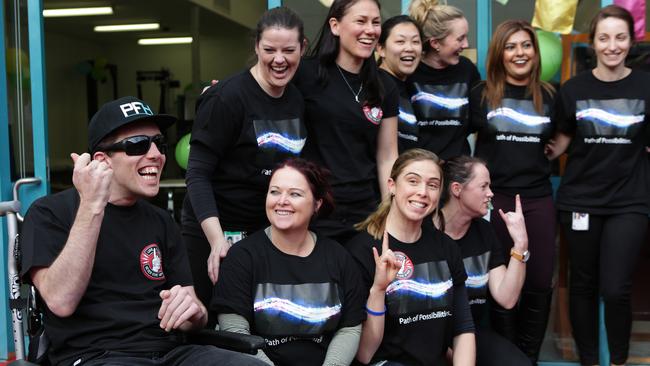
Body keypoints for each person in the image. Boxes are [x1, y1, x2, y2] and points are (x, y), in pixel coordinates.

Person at [19, 96, 265, 366]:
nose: (156, 155)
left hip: (171, 353)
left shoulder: (161, 222)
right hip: (96, 356)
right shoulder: (50, 213)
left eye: (159, 143)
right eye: (138, 145)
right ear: (103, 161)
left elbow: (196, 315)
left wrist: (193, 313)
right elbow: (60, 301)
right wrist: (91, 206)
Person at [182, 7, 307, 312]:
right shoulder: (226, 98)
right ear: (256, 48)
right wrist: (216, 241)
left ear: (302, 49)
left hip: (264, 232)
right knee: (208, 320)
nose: (279, 59)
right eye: (269, 50)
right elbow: (197, 174)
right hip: (213, 230)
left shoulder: (297, 99)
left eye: (289, 50)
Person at [546, 5, 650, 365]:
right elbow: (559, 140)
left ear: (631, 41)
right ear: (593, 43)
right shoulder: (573, 89)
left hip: (629, 201)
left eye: (620, 37)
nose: (612, 46)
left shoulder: (646, 85)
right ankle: (589, 360)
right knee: (583, 286)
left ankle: (618, 360)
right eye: (604, 38)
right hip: (581, 200)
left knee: (616, 288)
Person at [213, 158, 366, 366]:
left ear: (316, 204)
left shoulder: (338, 257)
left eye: (295, 194)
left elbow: (350, 327)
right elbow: (234, 332)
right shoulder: (242, 257)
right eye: (275, 191)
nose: (282, 200)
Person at [469, 19, 556, 364]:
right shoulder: (481, 94)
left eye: (526, 45)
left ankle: (528, 358)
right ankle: (508, 357)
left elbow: (563, 135)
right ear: (499, 53)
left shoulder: (550, 96)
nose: (519, 53)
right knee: (500, 281)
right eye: (511, 46)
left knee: (538, 280)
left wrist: (551, 153)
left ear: (535, 52)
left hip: (536, 199)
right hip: (495, 199)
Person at [347, 149, 475, 365]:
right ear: (392, 185)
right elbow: (365, 354)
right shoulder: (362, 250)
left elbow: (463, 329)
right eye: (413, 181)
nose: (423, 192)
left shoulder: (446, 248)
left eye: (432, 185)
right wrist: (378, 290)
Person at [293, 0, 399, 243]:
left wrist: (388, 214)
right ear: (335, 26)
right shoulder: (306, 74)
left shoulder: (385, 86)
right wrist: (220, 92)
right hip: (316, 210)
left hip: (365, 213)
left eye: (375, 22)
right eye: (360, 21)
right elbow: (264, 87)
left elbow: (387, 156)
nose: (370, 30)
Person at [434, 156, 530, 366]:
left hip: (469, 333)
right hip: (427, 334)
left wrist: (520, 245)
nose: (491, 193)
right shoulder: (426, 232)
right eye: (483, 186)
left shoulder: (484, 232)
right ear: (457, 189)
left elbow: (507, 298)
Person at [407, 0, 481, 160]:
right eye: (460, 39)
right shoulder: (409, 72)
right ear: (435, 43)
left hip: (458, 172)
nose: (466, 44)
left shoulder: (467, 70)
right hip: (419, 171)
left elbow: (476, 122)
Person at [377, 15, 423, 153]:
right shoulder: (374, 86)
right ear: (381, 49)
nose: (409, 48)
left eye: (415, 42)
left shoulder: (412, 89)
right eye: (400, 41)